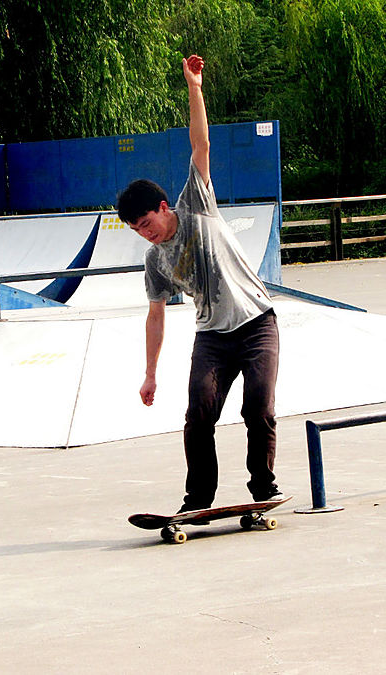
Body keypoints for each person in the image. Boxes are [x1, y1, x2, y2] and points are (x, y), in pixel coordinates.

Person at [117, 54, 282, 512]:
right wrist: (150, 373)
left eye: (147, 223)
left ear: (164, 207)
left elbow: (201, 144)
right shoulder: (155, 261)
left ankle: (264, 488)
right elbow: (155, 316)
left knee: (258, 408)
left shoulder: (195, 203)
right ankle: (198, 500)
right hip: (212, 337)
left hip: (256, 323)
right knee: (198, 415)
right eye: (136, 230)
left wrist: (194, 87)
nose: (146, 233)